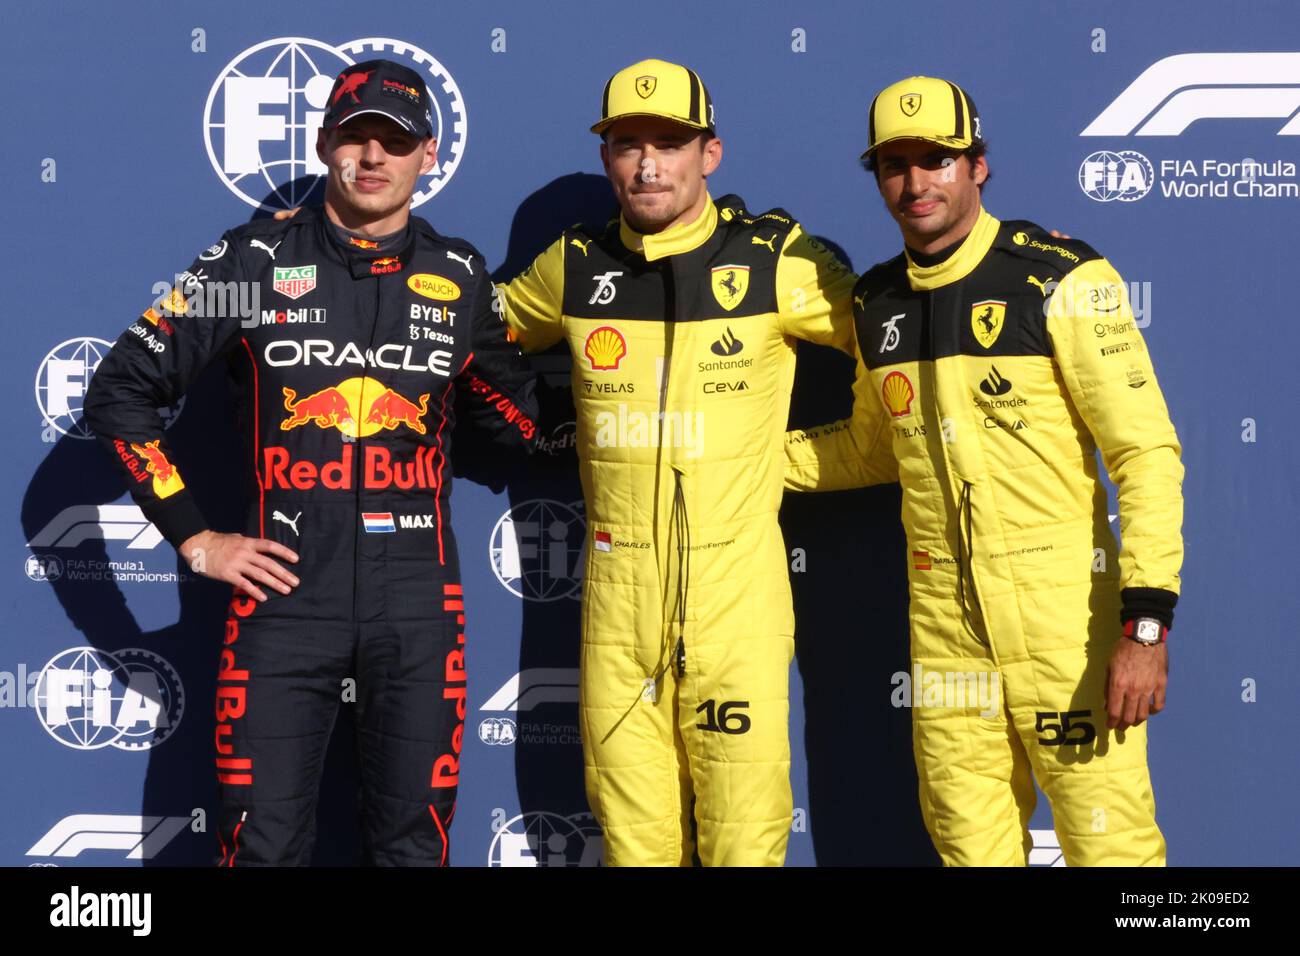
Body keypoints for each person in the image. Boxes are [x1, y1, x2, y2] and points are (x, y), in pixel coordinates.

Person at [83, 59, 538, 866]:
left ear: (427, 155)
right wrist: (195, 538)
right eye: (355, 136)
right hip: (284, 598)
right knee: (259, 848)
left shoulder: (460, 276)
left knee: (412, 849)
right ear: (325, 143)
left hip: (417, 605)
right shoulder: (251, 261)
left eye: (393, 142)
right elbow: (122, 390)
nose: (373, 157)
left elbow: (516, 420)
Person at [495, 58, 888, 867]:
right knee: (635, 849)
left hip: (736, 599)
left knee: (744, 843)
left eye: (669, 143)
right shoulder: (572, 266)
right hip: (616, 606)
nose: (647, 164)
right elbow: (472, 334)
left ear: (710, 153)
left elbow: (896, 331)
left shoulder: (777, 258)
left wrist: (793, 462)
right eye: (627, 143)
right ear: (607, 157)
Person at [784, 76, 1183, 866]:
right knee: (969, 849)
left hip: (1067, 624)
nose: (915, 182)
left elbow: (1145, 454)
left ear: (978, 166)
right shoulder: (876, 302)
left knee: (1114, 850)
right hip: (944, 633)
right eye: (894, 164)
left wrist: (1144, 626)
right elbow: (869, 451)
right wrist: (728, 458)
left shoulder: (1061, 277)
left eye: (936, 159)